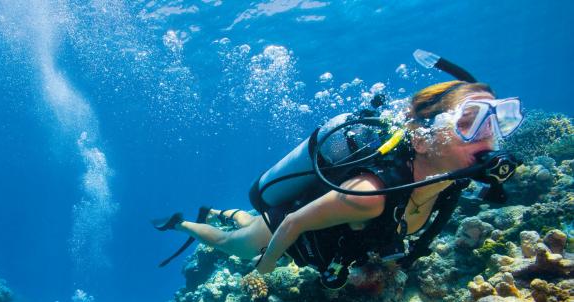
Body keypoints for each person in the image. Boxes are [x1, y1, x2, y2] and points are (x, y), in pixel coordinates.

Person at [154, 52, 522, 288]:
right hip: (294, 215)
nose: (490, 137)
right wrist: (263, 274)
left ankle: (224, 211)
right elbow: (293, 224)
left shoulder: (450, 180)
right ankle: (184, 222)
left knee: (248, 224)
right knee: (234, 247)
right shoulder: (367, 195)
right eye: (472, 121)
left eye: (499, 120)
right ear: (423, 140)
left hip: (321, 217)